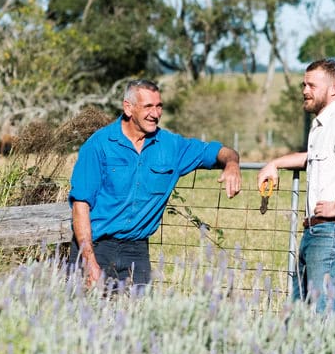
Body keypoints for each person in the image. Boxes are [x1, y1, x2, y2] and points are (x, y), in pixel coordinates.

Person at [68, 78, 242, 290]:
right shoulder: (99, 145)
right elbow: (80, 206)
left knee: (137, 318)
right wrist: (89, 262)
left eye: (159, 106)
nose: (155, 113)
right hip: (97, 247)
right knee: (87, 318)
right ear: (128, 108)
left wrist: (232, 163)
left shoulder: (171, 146)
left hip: (136, 251)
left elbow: (216, 151)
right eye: (148, 106)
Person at [258, 59, 335, 311]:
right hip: (318, 232)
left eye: (311, 85)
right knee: (301, 318)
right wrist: (275, 163)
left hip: (334, 230)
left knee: (321, 319)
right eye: (304, 84)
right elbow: (311, 159)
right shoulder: (324, 125)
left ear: (334, 89)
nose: (304, 90)